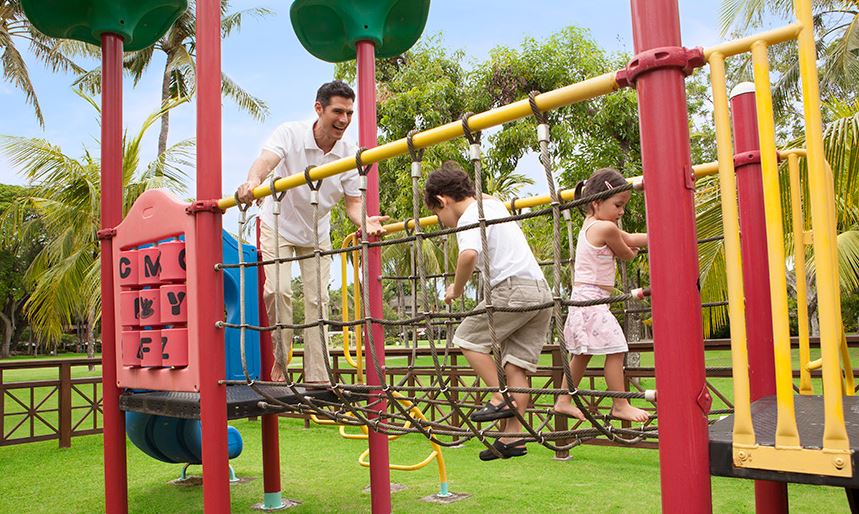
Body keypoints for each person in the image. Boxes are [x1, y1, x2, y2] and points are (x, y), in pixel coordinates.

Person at [236, 80, 388, 385]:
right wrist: (252, 182)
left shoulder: (349, 153)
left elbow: (353, 203)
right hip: (278, 224)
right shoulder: (290, 134)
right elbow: (264, 163)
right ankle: (281, 361)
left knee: (317, 301)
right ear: (319, 109)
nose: (344, 120)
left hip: (317, 231)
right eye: (337, 111)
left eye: (349, 113)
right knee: (277, 291)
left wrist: (365, 221)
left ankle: (317, 375)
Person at [424, 161, 552, 461]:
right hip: (540, 293)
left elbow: (468, 255)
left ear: (443, 200)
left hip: (512, 290)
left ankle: (501, 396)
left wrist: (455, 290)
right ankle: (513, 438)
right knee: (515, 367)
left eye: (438, 214)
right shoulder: (492, 205)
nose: (442, 222)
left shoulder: (471, 215)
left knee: (467, 338)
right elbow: (487, 197)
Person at [553, 167, 649, 422]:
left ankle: (563, 400)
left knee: (582, 354)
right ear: (596, 202)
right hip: (592, 300)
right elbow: (626, 251)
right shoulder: (605, 228)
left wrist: (658, 237)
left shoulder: (592, 224)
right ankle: (620, 404)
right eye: (618, 205)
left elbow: (628, 237)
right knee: (617, 348)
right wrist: (634, 251)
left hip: (584, 299)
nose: (622, 211)